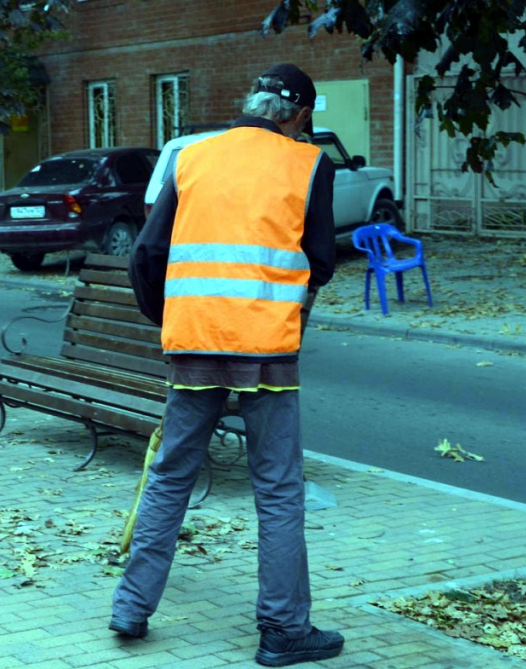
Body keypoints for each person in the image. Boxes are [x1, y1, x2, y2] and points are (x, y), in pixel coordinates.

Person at [110, 63, 342, 667]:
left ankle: (131, 609)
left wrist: (172, 318)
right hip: (267, 347)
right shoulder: (310, 165)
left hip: (194, 340)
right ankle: (284, 631)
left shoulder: (191, 157)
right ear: (299, 115)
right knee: (278, 486)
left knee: (170, 475)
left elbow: (147, 253)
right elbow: (320, 258)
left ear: (253, 102)